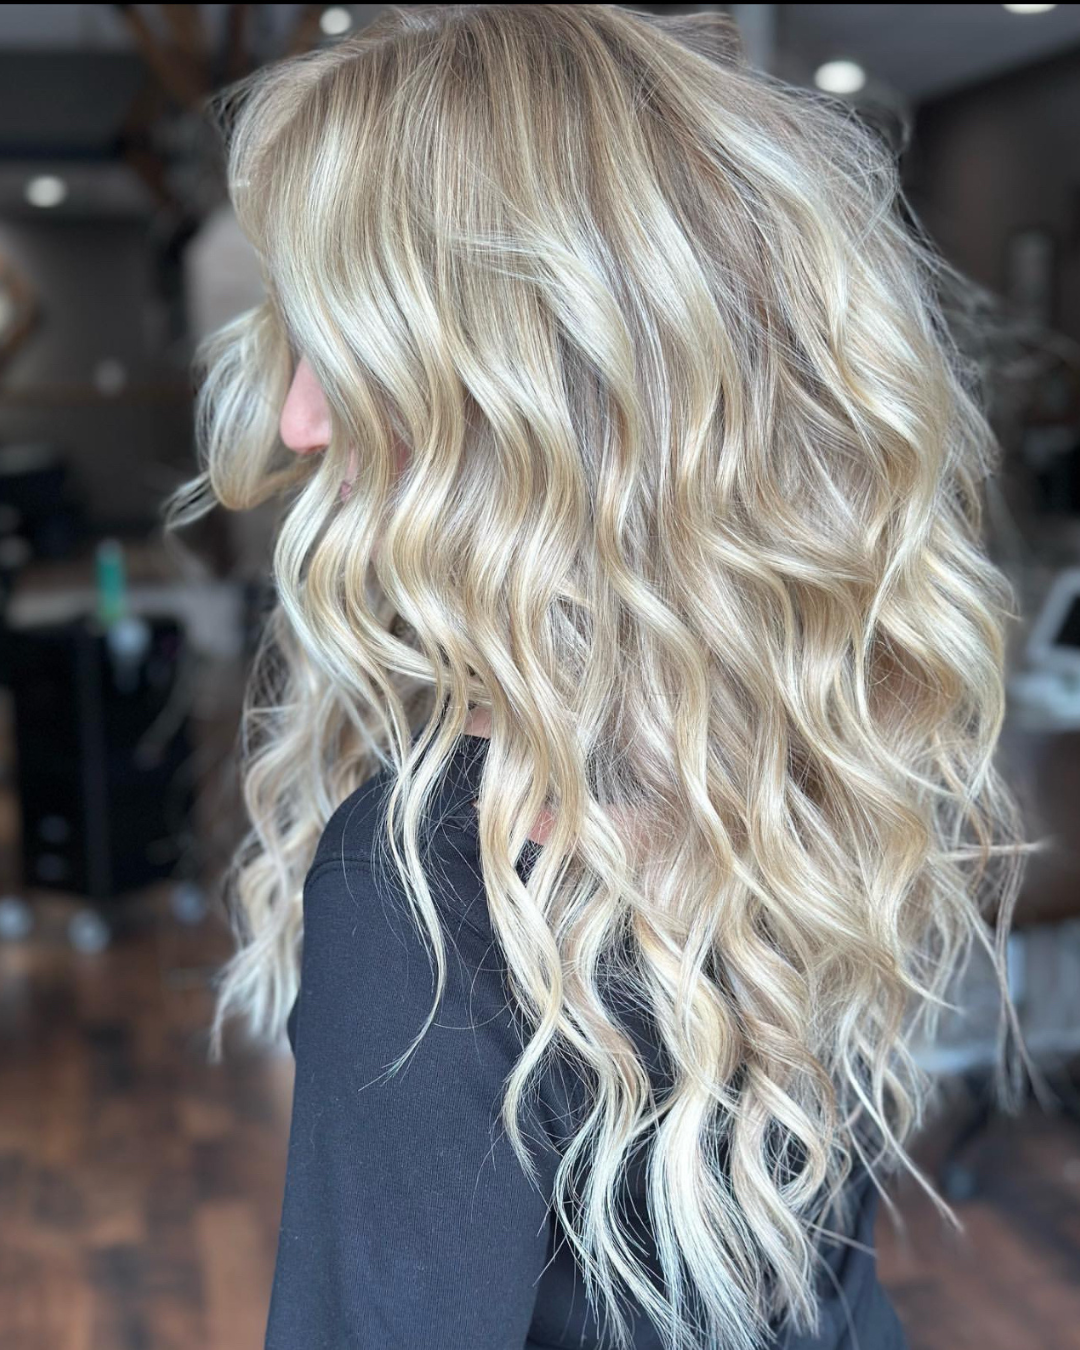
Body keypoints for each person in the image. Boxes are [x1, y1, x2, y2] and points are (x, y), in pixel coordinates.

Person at [167, 6, 1031, 1348]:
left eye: (344, 342)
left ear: (526, 384)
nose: (297, 419)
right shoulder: (802, 758)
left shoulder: (426, 885)